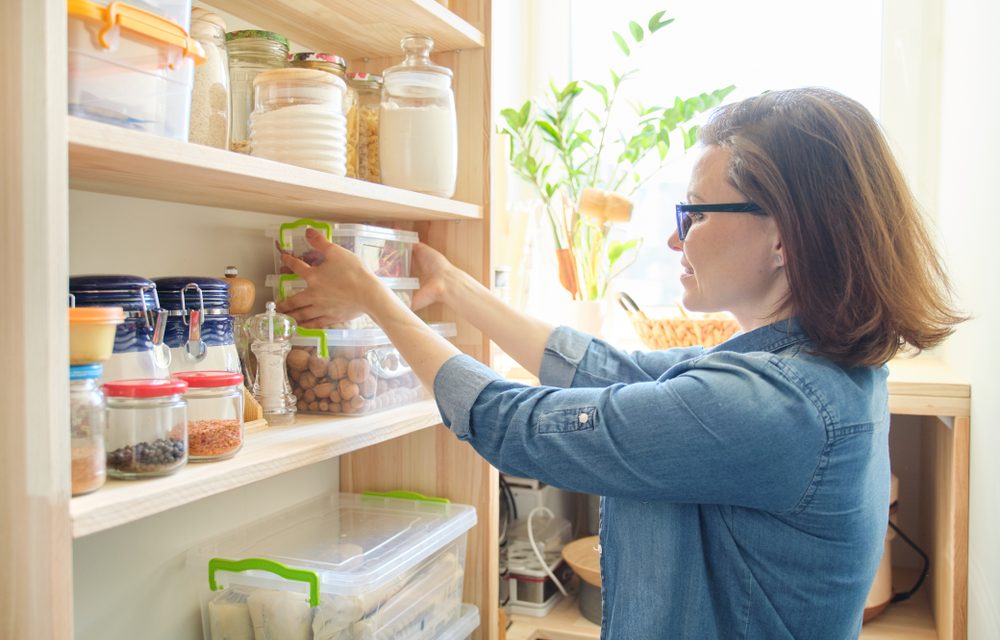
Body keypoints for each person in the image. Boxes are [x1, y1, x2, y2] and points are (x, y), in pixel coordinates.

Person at [276, 87, 964, 639]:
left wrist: (373, 299)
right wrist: (455, 289)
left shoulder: (772, 406)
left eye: (692, 214)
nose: (673, 237)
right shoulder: (802, 370)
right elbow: (615, 374)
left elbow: (515, 424)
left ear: (784, 233)